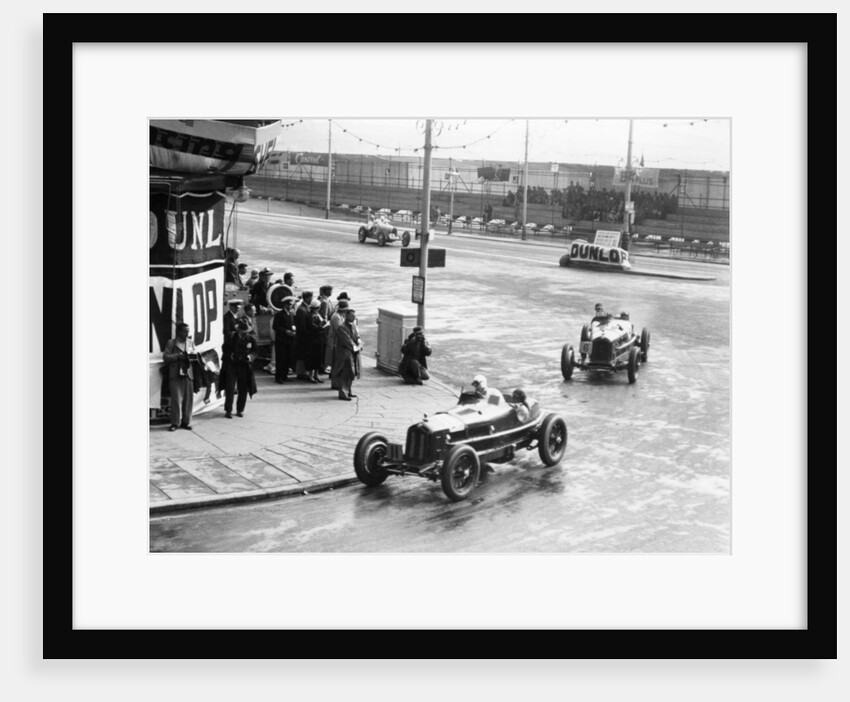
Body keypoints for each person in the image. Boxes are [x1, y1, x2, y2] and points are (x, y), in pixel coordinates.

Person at [162, 322, 198, 431]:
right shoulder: (171, 343)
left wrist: (193, 357)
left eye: (188, 331)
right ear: (178, 331)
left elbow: (195, 355)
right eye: (185, 331)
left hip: (188, 374)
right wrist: (178, 356)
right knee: (176, 400)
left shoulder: (191, 342)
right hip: (176, 374)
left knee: (188, 400)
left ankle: (186, 422)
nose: (187, 333)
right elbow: (166, 357)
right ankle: (175, 423)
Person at [224, 319, 258, 418]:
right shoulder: (231, 337)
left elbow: (255, 351)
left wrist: (250, 357)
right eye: (243, 332)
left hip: (244, 366)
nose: (244, 334)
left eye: (246, 332)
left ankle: (240, 409)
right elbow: (225, 349)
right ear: (238, 331)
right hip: (232, 365)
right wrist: (230, 355)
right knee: (230, 388)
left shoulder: (251, 339)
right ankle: (228, 410)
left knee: (243, 388)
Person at [331, 307, 361, 401]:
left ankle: (349, 391)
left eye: (354, 316)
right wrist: (355, 347)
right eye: (351, 316)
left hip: (353, 353)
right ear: (346, 316)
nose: (353, 318)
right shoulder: (342, 327)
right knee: (344, 373)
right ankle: (343, 393)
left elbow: (357, 336)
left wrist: (359, 342)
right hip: (345, 353)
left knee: (352, 373)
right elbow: (347, 340)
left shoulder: (354, 326)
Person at [271, 295, 296, 383]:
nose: (290, 306)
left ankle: (285, 375)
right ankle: (279, 377)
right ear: (284, 305)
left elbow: (293, 325)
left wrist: (294, 331)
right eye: (289, 304)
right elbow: (275, 326)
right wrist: (285, 331)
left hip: (289, 340)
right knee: (280, 359)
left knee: (287, 359)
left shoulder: (291, 314)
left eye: (291, 305)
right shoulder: (279, 314)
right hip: (281, 340)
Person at [328, 298, 349, 391]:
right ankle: (335, 383)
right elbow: (340, 330)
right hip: (336, 343)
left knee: (338, 363)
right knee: (337, 363)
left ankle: (337, 382)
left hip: (337, 342)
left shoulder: (340, 315)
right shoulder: (336, 317)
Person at [294, 290, 314, 380]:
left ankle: (302, 372)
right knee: (302, 354)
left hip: (303, 336)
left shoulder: (304, 308)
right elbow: (302, 325)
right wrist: (307, 335)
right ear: (307, 298)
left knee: (302, 355)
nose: (312, 299)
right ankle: (301, 372)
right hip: (302, 337)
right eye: (311, 298)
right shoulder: (302, 309)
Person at [307, 298, 328, 383]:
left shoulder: (317, 314)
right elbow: (313, 328)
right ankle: (311, 375)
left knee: (318, 358)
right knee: (313, 358)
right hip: (313, 340)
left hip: (319, 339)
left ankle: (316, 374)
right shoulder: (310, 316)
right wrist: (322, 325)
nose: (319, 309)